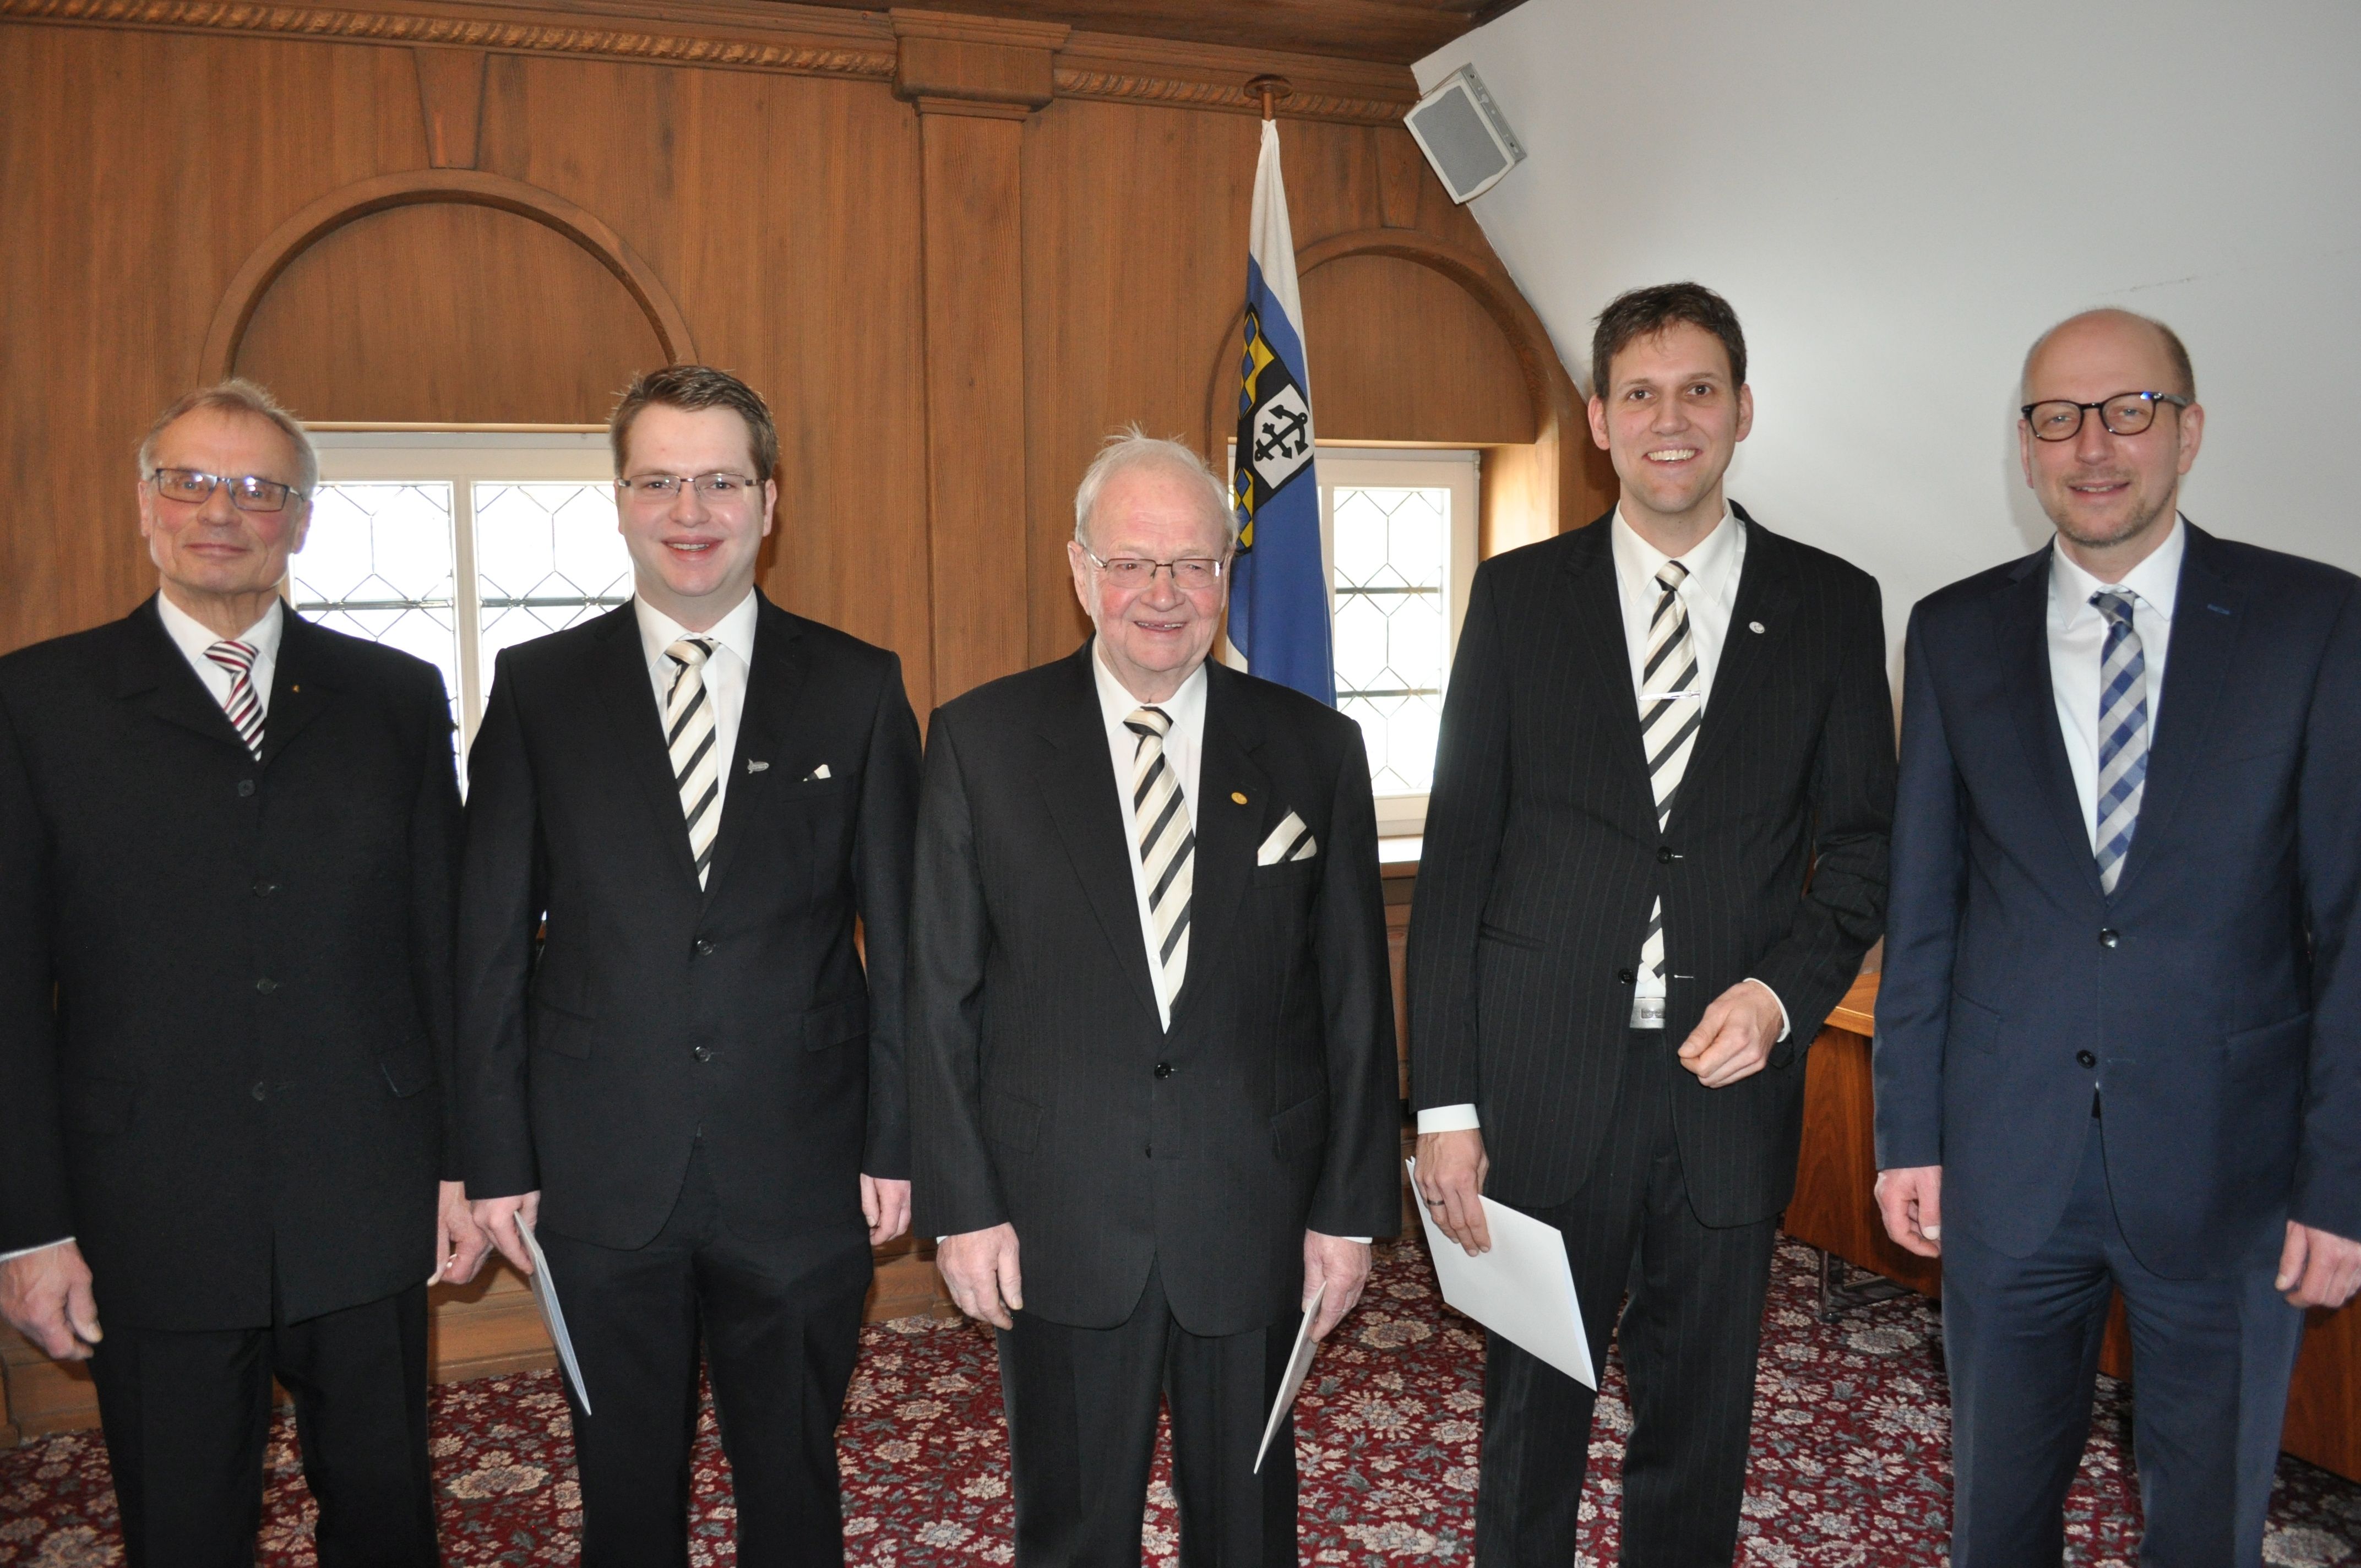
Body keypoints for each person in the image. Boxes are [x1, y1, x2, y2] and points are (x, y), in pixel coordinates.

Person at [1407, 282, 1895, 1565]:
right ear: (1595, 420)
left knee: (1700, 1418)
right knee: (1530, 1414)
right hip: (1539, 1082)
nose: (1667, 418)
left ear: (1740, 411)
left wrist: (1783, 992)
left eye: (1695, 391)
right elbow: (1456, 861)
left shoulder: (1833, 604)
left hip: (1723, 1087)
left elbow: (1858, 852)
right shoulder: (1516, 598)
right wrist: (1443, 1107)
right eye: (1639, 392)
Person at [1874, 307, 2361, 1566]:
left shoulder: (2315, 624)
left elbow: (2350, 924)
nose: (2092, 446)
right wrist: (1907, 1133)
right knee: (1994, 1518)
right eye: (2056, 417)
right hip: (2005, 1164)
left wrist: (2339, 1178)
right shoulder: (1950, 630)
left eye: (2126, 410)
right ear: (2024, 444)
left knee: (2205, 1529)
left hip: (2230, 1171)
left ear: (2186, 431)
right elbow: (1922, 909)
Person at [0, 380, 477, 1564]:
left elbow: (446, 948)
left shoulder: (395, 698)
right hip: (147, 1210)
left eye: (261, 488)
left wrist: (467, 1164)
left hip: (366, 1193)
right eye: (191, 479)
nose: (223, 510)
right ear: (144, 504)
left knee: (386, 1515)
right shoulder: (35, 703)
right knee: (183, 1527)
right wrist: (27, 1228)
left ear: (301, 519)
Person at [907, 429, 1400, 1565]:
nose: (1161, 593)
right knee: (1073, 1530)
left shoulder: (1315, 750)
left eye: (1190, 563)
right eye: (1132, 562)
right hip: (1057, 1218)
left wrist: (1344, 1210)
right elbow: (938, 997)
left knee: (1248, 1532)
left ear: (1226, 574)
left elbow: (1352, 1007)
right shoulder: (980, 742)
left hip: (1256, 1211)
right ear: (1080, 571)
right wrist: (964, 1205)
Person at [456, 364, 921, 1567]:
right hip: (598, 1168)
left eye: (720, 478)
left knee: (792, 1476)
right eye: (658, 479)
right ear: (618, 501)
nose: (689, 507)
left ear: (769, 503)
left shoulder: (858, 686)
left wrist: (896, 1136)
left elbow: (909, 942)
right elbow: (491, 944)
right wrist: (493, 1156)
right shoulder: (538, 688)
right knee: (620, 1488)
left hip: (803, 1163)